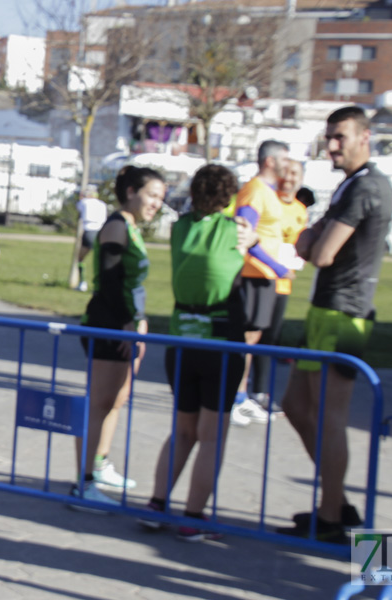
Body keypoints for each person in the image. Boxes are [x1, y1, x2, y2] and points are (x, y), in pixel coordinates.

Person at [276, 105, 392, 543]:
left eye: (340, 137)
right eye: (329, 137)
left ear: (365, 136)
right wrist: (312, 237)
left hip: (345, 312)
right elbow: (306, 241)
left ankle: (330, 516)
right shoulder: (350, 185)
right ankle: (337, 500)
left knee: (328, 417)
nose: (331, 146)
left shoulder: (368, 187)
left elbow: (319, 253)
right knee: (295, 406)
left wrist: (312, 239)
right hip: (324, 308)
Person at [138, 164, 254, 542]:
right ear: (228, 195)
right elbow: (274, 261)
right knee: (212, 435)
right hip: (220, 343)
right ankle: (193, 516)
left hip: (182, 341)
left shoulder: (180, 227)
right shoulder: (234, 229)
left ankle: (157, 504)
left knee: (183, 431)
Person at [72, 166, 165, 510]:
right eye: (152, 195)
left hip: (126, 325)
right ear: (130, 191)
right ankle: (83, 483)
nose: (157, 203)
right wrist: (127, 322)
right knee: (99, 402)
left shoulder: (131, 226)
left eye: (161, 198)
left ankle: (99, 463)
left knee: (115, 399)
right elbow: (109, 281)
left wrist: (137, 321)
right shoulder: (116, 225)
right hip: (108, 324)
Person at [230, 140, 293, 427]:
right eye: (284, 159)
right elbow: (244, 231)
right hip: (255, 274)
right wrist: (277, 267)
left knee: (254, 339)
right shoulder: (255, 190)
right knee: (247, 339)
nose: (287, 165)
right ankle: (236, 397)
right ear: (269, 161)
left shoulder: (269, 192)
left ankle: (242, 397)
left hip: (265, 275)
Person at [250, 158, 309, 413]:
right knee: (251, 335)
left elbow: (297, 243)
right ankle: (243, 392)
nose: (290, 178)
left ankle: (259, 390)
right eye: (287, 172)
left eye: (296, 173)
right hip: (259, 275)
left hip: (283, 281)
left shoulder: (300, 210)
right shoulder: (268, 200)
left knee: (271, 338)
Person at [75, 184, 108, 292]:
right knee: (100, 261)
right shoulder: (102, 204)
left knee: (80, 258)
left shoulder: (84, 202)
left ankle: (82, 282)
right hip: (101, 232)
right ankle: (98, 286)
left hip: (89, 231)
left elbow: (78, 208)